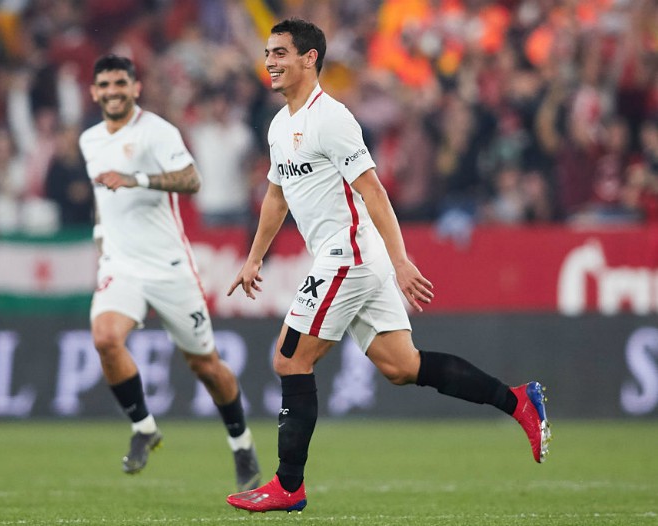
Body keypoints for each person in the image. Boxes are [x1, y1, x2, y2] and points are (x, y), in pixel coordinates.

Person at [225, 19, 551, 514]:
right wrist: (254, 257)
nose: (269, 61)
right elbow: (276, 195)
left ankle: (288, 486)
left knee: (290, 359)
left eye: (280, 53)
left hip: (349, 253)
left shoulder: (331, 118)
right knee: (403, 366)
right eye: (268, 53)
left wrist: (401, 262)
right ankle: (519, 401)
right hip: (352, 255)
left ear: (310, 59)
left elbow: (372, 189)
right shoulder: (279, 124)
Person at [78, 54, 261, 492]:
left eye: (121, 83)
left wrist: (138, 178)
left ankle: (242, 445)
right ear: (94, 92)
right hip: (121, 264)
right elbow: (102, 195)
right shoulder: (89, 140)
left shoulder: (157, 131)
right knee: (105, 337)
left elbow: (191, 179)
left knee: (205, 365)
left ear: (135, 88)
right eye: (105, 85)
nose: (113, 91)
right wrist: (102, 232)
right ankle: (144, 427)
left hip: (168, 267)